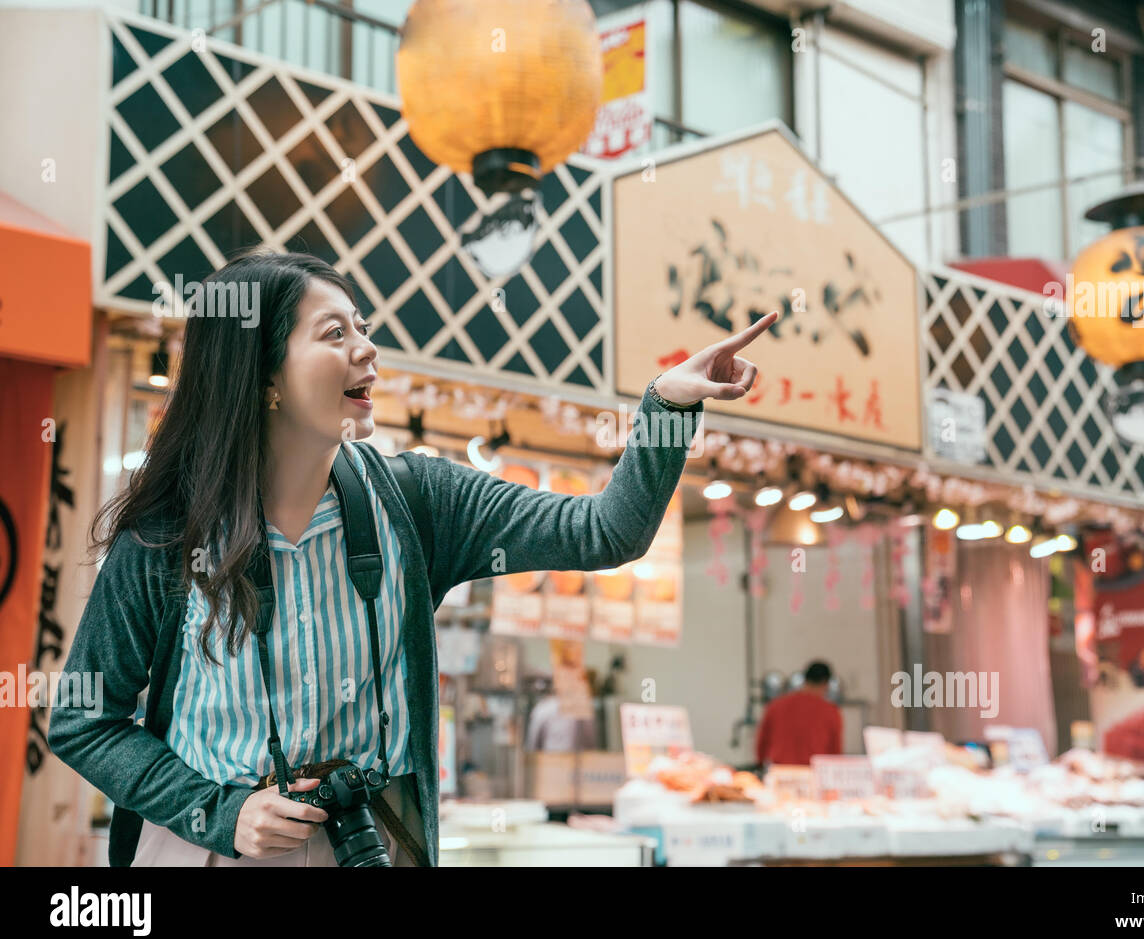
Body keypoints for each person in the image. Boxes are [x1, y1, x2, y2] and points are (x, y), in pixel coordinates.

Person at [49, 249, 779, 866]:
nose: (367, 348)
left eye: (362, 328)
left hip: (373, 842)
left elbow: (606, 532)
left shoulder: (418, 501)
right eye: (334, 334)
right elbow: (84, 721)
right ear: (264, 378)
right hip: (212, 847)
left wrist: (667, 407)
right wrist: (218, 811)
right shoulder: (169, 533)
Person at [755, 661, 843, 767]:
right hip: (812, 773)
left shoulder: (776, 706)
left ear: (805, 679)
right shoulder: (831, 711)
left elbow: (762, 744)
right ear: (826, 684)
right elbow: (835, 753)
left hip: (780, 772)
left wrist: (760, 764)